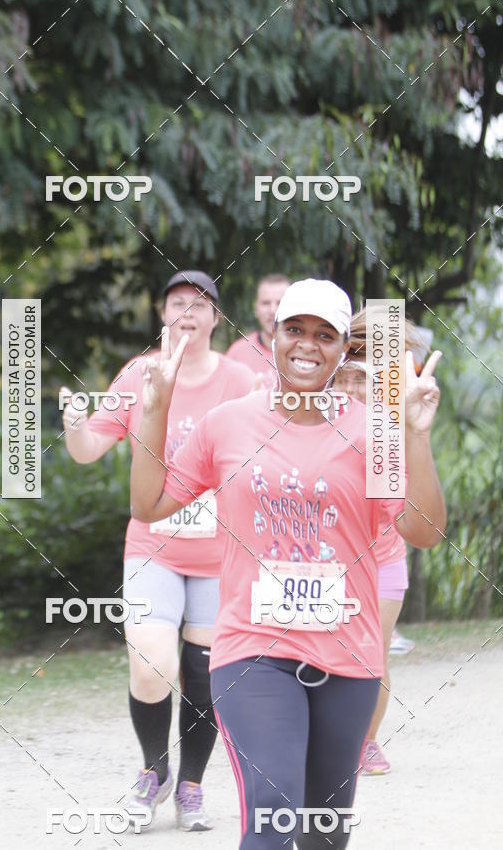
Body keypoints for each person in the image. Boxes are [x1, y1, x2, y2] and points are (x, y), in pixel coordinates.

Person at [130, 279, 446, 848]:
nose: (307, 344)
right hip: (254, 650)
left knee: (325, 833)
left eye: (325, 334)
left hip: (348, 656)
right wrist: (155, 409)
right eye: (294, 329)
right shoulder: (227, 423)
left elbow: (422, 530)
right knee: (275, 807)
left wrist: (414, 436)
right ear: (273, 335)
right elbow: (149, 504)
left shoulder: (371, 431)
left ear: (342, 349)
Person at [61, 270, 254, 831]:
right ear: (162, 315)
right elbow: (90, 448)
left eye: (199, 305)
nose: (187, 314)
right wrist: (74, 426)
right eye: (176, 305)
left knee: (206, 675)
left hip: (222, 555)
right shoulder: (137, 375)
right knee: (150, 666)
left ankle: (191, 787)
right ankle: (155, 771)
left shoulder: (242, 381)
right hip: (154, 549)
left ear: (216, 318)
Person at [333, 311, 428, 776]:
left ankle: (366, 742)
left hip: (383, 557)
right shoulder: (324, 389)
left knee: (374, 652)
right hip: (328, 560)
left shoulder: (394, 409)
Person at [226, 273, 290, 386]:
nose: (272, 310)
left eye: (279, 303)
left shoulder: (304, 353)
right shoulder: (237, 353)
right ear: (256, 309)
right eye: (266, 303)